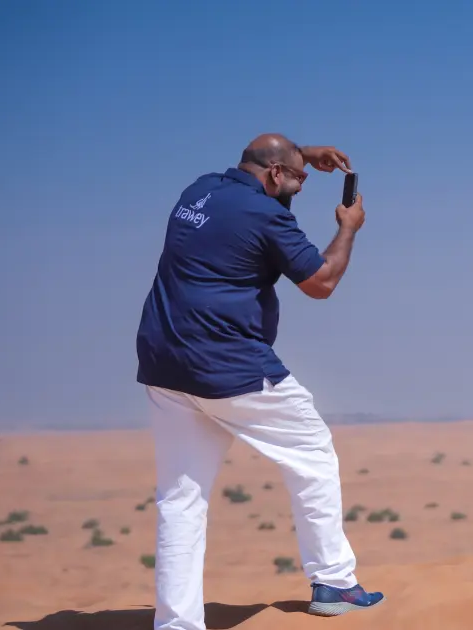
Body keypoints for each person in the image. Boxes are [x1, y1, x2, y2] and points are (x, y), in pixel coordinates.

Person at [134, 133, 384, 630]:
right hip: (229, 366)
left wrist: (303, 155)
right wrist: (348, 227)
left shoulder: (198, 191)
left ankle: (177, 624)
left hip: (165, 363)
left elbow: (266, 157)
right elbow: (322, 282)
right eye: (296, 180)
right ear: (274, 175)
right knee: (312, 454)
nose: (298, 189)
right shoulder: (267, 215)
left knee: (181, 500)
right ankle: (333, 580)